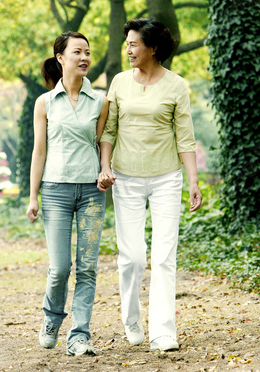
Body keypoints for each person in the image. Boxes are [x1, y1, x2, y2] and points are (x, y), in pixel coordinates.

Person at [97, 18, 202, 352]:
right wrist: (104, 167)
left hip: (166, 179)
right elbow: (108, 130)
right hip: (125, 177)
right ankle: (131, 318)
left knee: (163, 256)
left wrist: (193, 181)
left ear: (153, 47)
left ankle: (163, 331)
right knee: (131, 257)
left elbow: (185, 137)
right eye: (126, 44)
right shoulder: (118, 82)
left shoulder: (176, 85)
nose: (128, 49)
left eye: (133, 44)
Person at [26, 31, 109, 357]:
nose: (85, 57)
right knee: (60, 268)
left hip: (91, 192)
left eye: (87, 52)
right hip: (55, 191)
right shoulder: (45, 103)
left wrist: (105, 169)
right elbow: (39, 152)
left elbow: (104, 143)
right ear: (61, 58)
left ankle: (79, 336)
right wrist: (33, 196)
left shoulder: (101, 101)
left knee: (87, 267)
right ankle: (51, 319)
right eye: (78, 52)